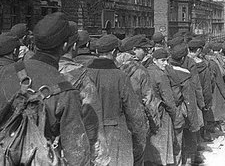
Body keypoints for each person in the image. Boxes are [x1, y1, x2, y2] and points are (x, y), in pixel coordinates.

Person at [0, 12, 91, 165]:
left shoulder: (6, 72)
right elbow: (77, 153)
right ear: (64, 46)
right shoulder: (66, 91)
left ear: (35, 44)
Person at [85, 34, 149, 165]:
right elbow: (134, 113)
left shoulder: (84, 73)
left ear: (97, 51)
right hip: (115, 136)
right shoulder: (120, 76)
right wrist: (139, 139)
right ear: (114, 52)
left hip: (89, 134)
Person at [145, 48, 176, 166]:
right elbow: (168, 99)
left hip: (148, 111)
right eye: (162, 60)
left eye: (167, 60)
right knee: (162, 147)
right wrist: (174, 115)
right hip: (161, 113)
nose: (165, 63)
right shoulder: (161, 75)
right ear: (154, 60)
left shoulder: (145, 71)